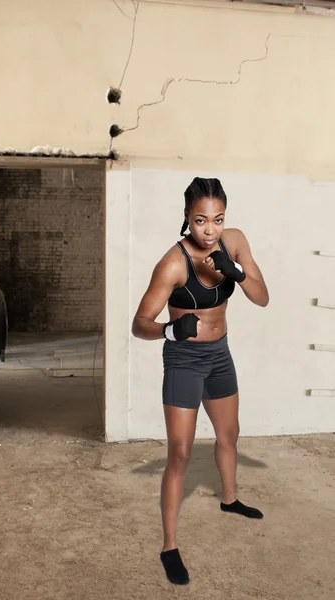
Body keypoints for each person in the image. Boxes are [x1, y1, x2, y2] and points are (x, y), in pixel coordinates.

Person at [132, 177, 269, 586]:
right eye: (200, 220)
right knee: (180, 453)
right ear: (187, 219)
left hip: (220, 355)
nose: (210, 230)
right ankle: (169, 546)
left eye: (218, 219)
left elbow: (262, 297)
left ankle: (230, 500)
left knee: (230, 434)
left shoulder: (234, 241)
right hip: (184, 360)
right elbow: (139, 325)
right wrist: (171, 331)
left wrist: (236, 272)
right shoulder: (173, 264)